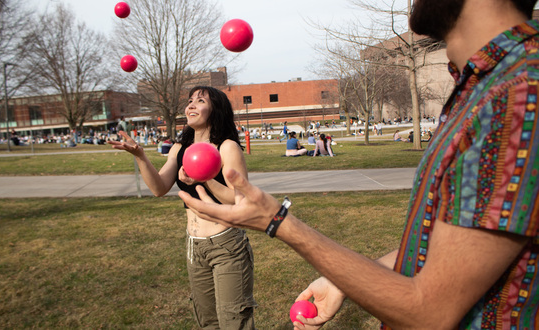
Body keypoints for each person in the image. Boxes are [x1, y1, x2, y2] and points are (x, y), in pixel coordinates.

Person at [178, 0, 539, 329]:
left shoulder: (518, 95)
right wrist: (345, 280)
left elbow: (430, 312)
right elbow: (452, 246)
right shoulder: (486, 87)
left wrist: (279, 222)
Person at [110, 86, 257, 329]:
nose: (191, 105)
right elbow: (158, 188)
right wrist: (139, 156)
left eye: (200, 101)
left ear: (215, 110)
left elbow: (240, 199)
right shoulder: (179, 150)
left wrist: (205, 179)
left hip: (226, 245)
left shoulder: (226, 147)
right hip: (194, 246)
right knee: (208, 322)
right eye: (190, 101)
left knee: (234, 321)